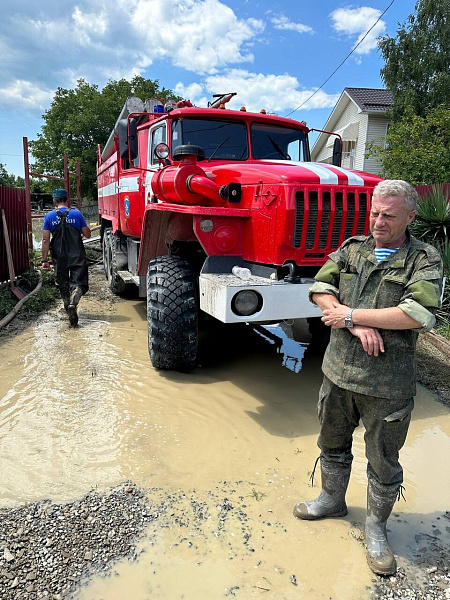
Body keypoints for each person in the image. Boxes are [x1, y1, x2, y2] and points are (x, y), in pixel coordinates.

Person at [293, 180, 443, 576]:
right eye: (375, 212)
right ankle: (331, 499)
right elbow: (321, 288)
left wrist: (349, 315)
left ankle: (376, 527)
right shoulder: (352, 248)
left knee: (383, 461)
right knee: (332, 442)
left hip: (387, 385)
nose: (378, 221)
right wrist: (354, 323)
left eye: (389, 215)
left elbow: (417, 313)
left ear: (410, 216)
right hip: (338, 373)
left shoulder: (423, 258)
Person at [41, 189, 91, 326]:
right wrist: (82, 226)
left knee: (62, 284)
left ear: (54, 200)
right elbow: (88, 235)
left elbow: (45, 240)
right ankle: (74, 303)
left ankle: (67, 305)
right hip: (77, 256)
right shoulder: (77, 214)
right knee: (79, 283)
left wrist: (44, 260)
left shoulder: (49, 216)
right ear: (67, 199)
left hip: (59, 257)